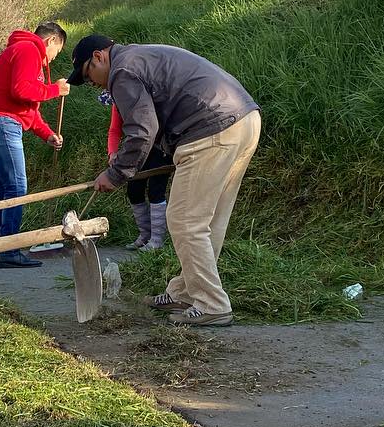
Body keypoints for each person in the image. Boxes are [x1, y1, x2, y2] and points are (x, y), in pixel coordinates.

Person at [67, 35, 260, 327]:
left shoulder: (122, 71)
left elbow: (142, 130)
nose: (93, 83)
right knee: (208, 221)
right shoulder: (139, 58)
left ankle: (212, 304)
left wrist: (116, 173)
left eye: (88, 74)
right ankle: (186, 291)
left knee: (185, 220)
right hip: (243, 119)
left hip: (211, 128)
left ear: (98, 56)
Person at [0, 21, 70, 268]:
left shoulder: (20, 50)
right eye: (56, 52)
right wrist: (54, 90)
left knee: (3, 188)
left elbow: (27, 108)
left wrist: (47, 133)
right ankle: (9, 250)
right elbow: (22, 90)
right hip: (2, 124)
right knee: (17, 187)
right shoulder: (29, 50)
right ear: (51, 41)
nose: (52, 58)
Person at [106, 100, 168, 250]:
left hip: (161, 147)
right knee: (133, 191)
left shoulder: (146, 98)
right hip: (137, 149)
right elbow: (114, 130)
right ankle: (145, 235)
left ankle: (157, 240)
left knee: (156, 191)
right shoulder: (118, 103)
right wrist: (112, 152)